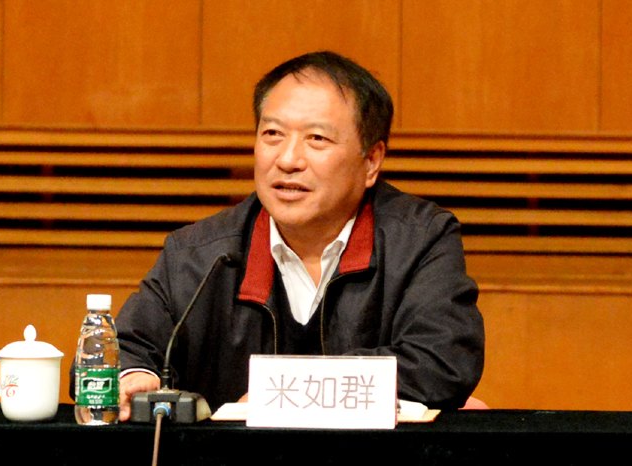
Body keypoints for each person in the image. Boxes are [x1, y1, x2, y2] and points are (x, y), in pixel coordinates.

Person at [74, 50, 485, 421]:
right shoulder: (199, 254)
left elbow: (443, 361)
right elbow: (120, 351)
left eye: (317, 139)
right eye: (272, 134)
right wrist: (134, 376)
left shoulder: (419, 240)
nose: (288, 159)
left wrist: (287, 392)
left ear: (371, 161)